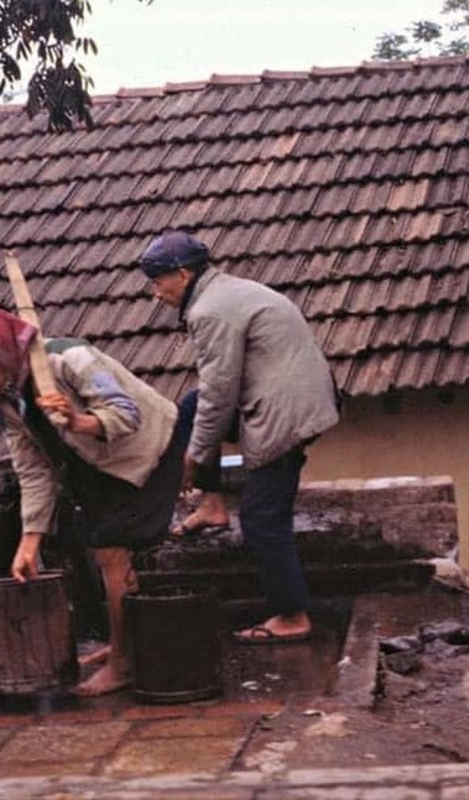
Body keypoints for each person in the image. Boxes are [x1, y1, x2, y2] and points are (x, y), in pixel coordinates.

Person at [0, 307, 187, 695]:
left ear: (1, 351)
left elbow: (125, 414)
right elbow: (33, 468)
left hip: (152, 449)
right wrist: (30, 539)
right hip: (93, 464)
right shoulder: (7, 401)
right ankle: (127, 643)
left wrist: (76, 421)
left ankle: (123, 662)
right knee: (106, 549)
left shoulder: (69, 359)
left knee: (110, 548)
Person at [140, 229, 340, 644]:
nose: (155, 294)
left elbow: (221, 392)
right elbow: (212, 396)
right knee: (192, 405)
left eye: (158, 282)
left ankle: (291, 615)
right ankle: (212, 505)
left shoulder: (209, 311)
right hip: (293, 397)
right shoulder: (225, 291)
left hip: (284, 414)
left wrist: (193, 458)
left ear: (181, 273)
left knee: (262, 519)